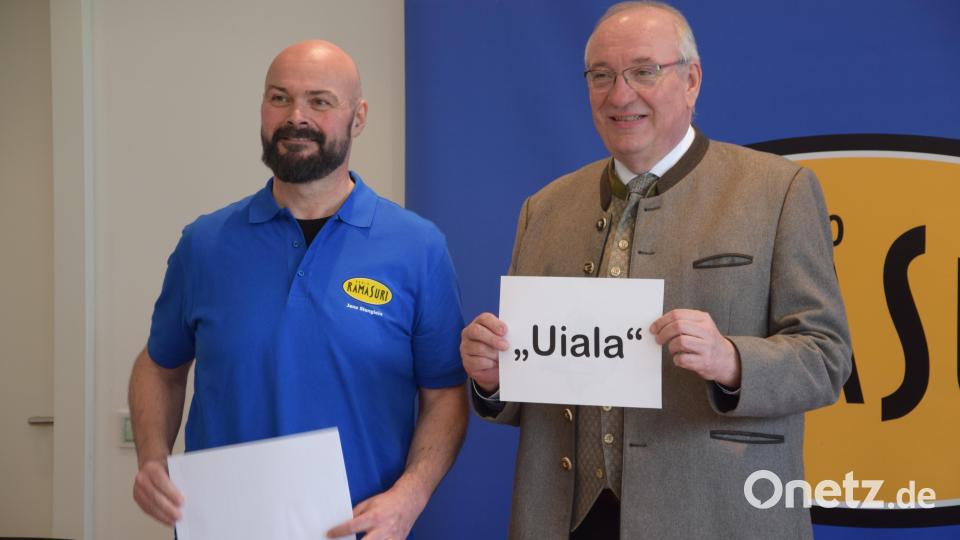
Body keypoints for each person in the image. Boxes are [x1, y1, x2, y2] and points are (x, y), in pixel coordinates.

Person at [459, 2, 852, 539]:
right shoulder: (544, 209)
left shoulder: (777, 192)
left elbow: (827, 358)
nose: (620, 95)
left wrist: (732, 360)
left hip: (717, 516)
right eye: (601, 76)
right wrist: (493, 381)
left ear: (691, 80)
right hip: (564, 518)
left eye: (644, 71)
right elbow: (537, 384)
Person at [129, 40, 467, 539]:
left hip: (356, 530)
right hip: (221, 527)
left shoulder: (418, 248)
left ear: (359, 115)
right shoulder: (204, 244)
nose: (296, 116)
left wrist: (409, 497)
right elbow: (160, 366)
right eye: (279, 98)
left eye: (320, 101)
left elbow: (445, 397)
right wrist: (152, 457)